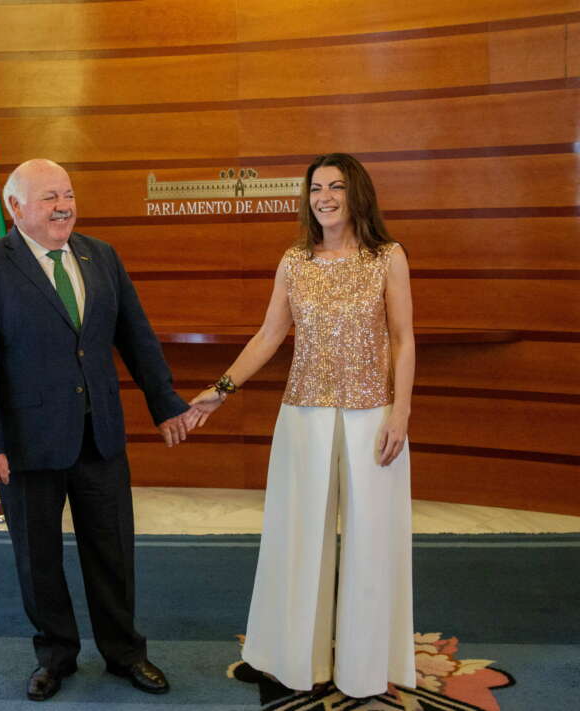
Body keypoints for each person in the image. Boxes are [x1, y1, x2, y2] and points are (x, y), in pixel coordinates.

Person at [0, 159, 194, 701]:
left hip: (99, 434)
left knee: (113, 552)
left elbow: (136, 336)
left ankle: (125, 652)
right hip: (25, 445)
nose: (63, 206)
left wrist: (166, 403)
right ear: (14, 209)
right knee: (38, 559)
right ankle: (55, 656)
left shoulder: (100, 255)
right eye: (48, 198)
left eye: (68, 194)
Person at [189, 153, 416, 699]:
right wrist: (220, 392)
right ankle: (290, 657)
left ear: (357, 192)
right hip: (304, 416)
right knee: (296, 539)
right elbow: (268, 336)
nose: (325, 197)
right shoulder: (294, 261)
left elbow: (404, 338)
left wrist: (401, 411)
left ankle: (365, 665)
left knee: (371, 541)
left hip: (373, 416)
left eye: (336, 186)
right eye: (317, 188)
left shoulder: (388, 257)